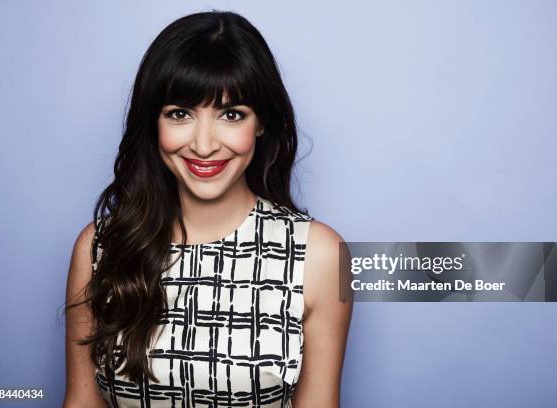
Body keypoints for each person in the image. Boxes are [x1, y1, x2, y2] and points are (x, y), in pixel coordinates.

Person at [63, 10, 352, 408]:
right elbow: (82, 402)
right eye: (180, 114)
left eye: (231, 115)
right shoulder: (100, 247)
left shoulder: (318, 255)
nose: (203, 145)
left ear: (262, 123)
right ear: (154, 123)